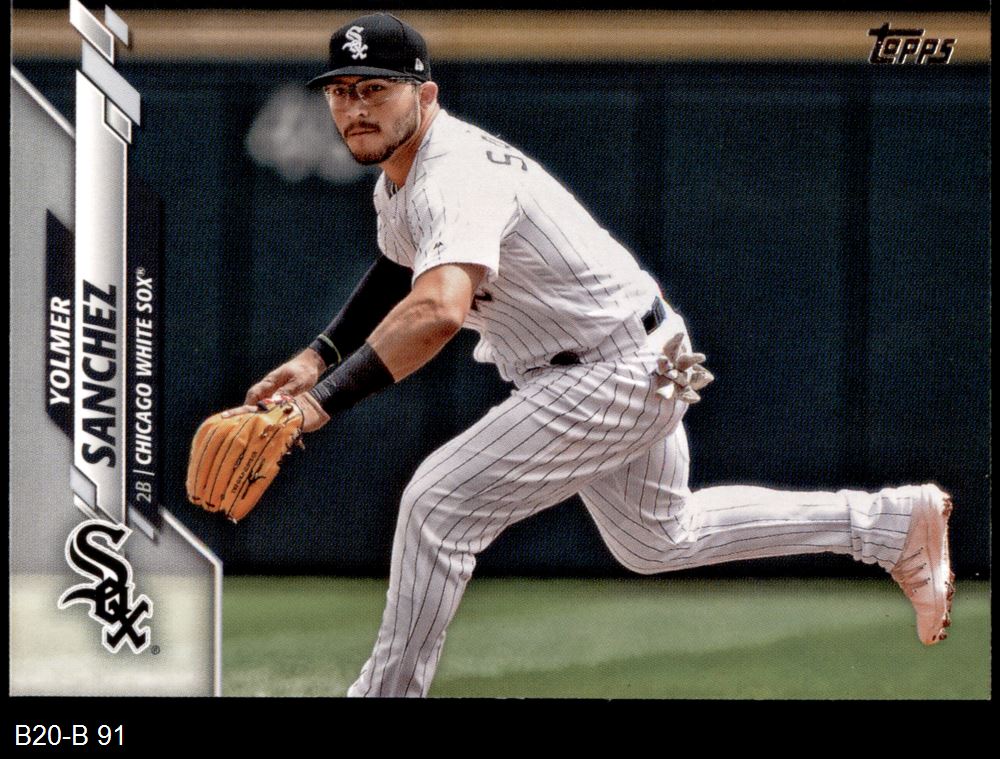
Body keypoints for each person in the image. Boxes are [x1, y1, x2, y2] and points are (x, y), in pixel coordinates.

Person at [226, 13, 954, 698]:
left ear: (425, 94)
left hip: (609, 369)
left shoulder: (454, 172)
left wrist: (319, 403)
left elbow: (440, 309)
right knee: (658, 539)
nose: (355, 107)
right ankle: (888, 522)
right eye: (342, 92)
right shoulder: (404, 178)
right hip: (632, 354)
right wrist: (318, 356)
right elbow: (399, 263)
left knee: (437, 505)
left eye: (376, 89)